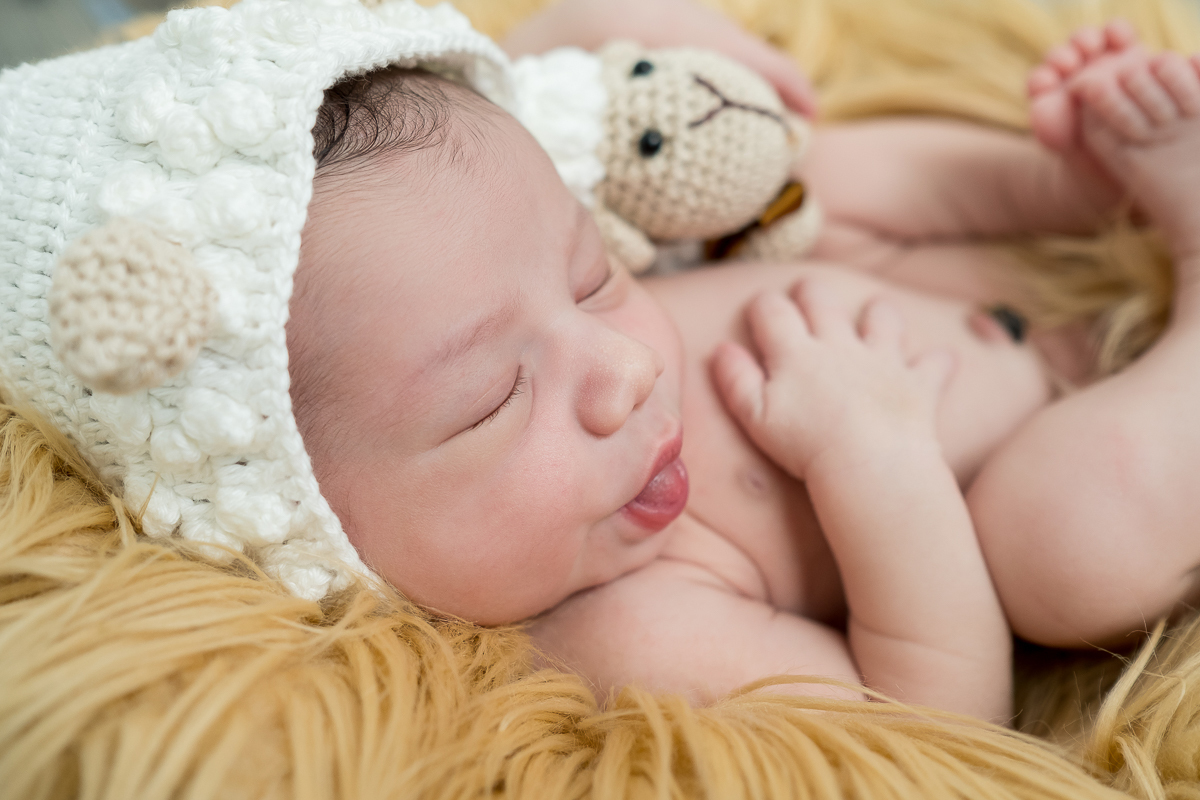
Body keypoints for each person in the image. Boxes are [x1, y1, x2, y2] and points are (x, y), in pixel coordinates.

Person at [286, 0, 1200, 722]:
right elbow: (940, 714)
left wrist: (631, 31)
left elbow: (541, 83)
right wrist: (877, 462)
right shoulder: (627, 631)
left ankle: (1069, 182)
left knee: (805, 187)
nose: (629, 369)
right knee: (1069, 545)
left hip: (925, 276)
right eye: (494, 401)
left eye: (592, 274)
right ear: (312, 514)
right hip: (1048, 443)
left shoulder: (480, 263)